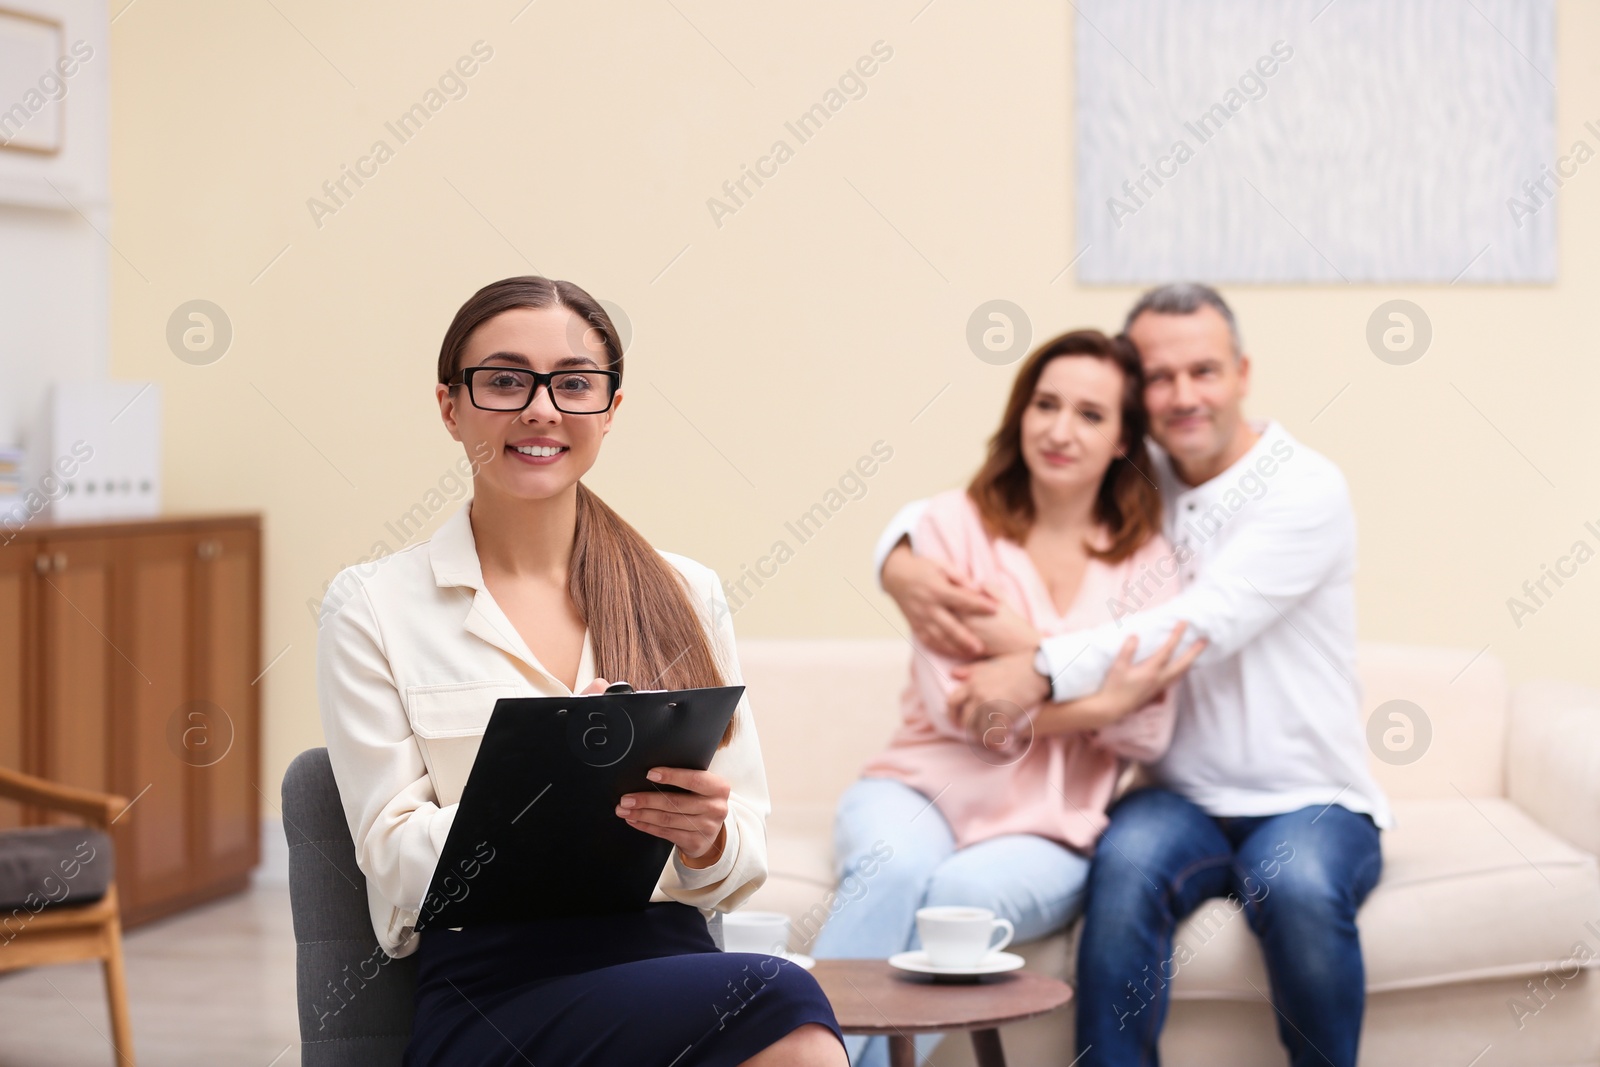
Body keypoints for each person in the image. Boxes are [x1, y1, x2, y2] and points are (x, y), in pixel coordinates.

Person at [317, 276, 846, 1067]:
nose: (541, 408)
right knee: (782, 1001)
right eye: (503, 380)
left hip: (668, 958)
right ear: (450, 405)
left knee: (773, 1008)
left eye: (573, 384)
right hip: (493, 991)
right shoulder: (371, 605)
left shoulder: (686, 594)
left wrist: (703, 842)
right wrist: (542, 794)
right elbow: (393, 879)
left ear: (609, 410)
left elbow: (739, 859)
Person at [875, 284, 1390, 1067]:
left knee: (1297, 890)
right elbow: (991, 495)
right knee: (1121, 878)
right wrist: (898, 558)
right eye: (1158, 376)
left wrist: (1037, 667)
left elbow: (1198, 624)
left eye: (1204, 370)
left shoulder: (1301, 488)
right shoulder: (1145, 469)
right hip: (1178, 800)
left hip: (1308, 798)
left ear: (1243, 372)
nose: (1183, 395)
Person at [813, 329, 1202, 1067]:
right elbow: (965, 708)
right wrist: (1095, 703)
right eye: (1045, 404)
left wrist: (1019, 655)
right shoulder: (947, 526)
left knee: (960, 896)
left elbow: (1150, 732)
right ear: (1019, 412)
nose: (1059, 430)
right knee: (895, 867)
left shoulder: (1152, 564)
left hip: (1049, 826)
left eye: (1090, 414)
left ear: (1124, 438)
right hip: (915, 788)